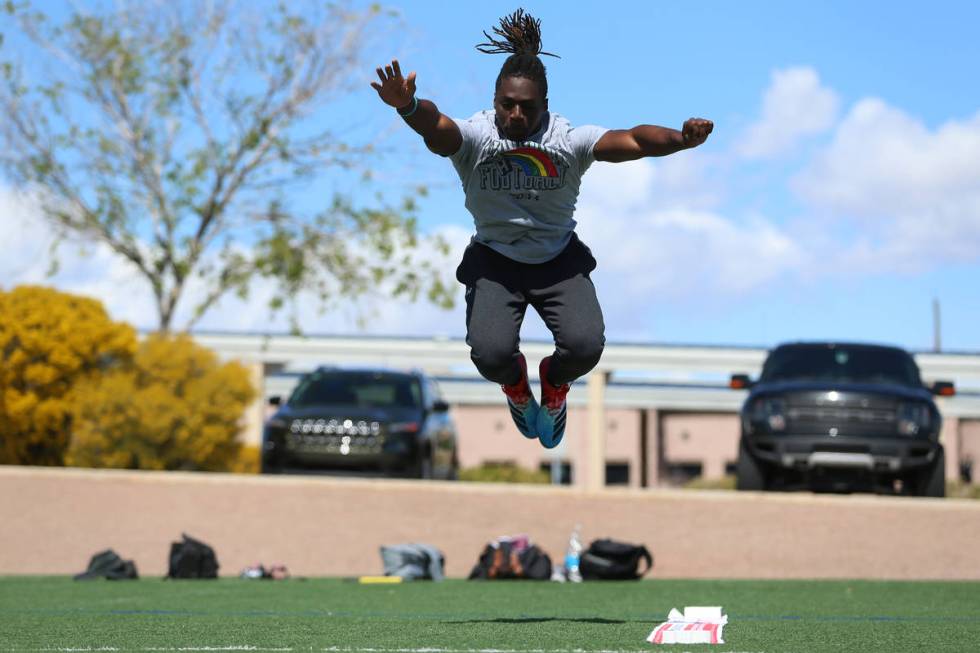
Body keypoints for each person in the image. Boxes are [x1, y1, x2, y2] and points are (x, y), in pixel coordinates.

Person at [371, 9, 712, 449]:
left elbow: (633, 140)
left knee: (586, 346)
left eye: (526, 108)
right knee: (490, 355)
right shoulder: (477, 137)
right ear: (494, 100)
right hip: (495, 261)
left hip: (558, 261)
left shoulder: (567, 141)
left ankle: (554, 384)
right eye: (506, 104)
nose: (514, 114)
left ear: (545, 107)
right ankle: (516, 389)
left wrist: (681, 139)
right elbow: (437, 128)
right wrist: (408, 106)